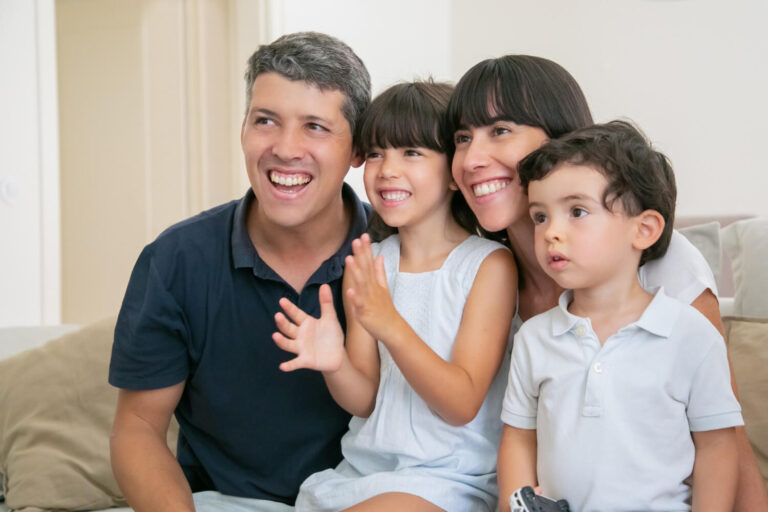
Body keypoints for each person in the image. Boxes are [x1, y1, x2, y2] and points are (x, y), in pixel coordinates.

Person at [446, 55, 768, 511]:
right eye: (462, 138)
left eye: (500, 130)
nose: (472, 159)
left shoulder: (663, 263)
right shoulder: (479, 273)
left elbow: (725, 441)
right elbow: (516, 442)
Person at [108, 32, 371, 511]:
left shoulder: (400, 250)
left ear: (357, 150)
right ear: (244, 129)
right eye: (265, 120)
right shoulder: (176, 259)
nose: (286, 149)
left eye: (315, 126)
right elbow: (139, 427)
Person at [270, 81, 518, 511]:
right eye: (377, 153)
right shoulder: (369, 263)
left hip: (448, 479)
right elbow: (365, 400)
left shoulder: (488, 266)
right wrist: (335, 365)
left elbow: (461, 404)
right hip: (365, 475)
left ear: (455, 172)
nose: (386, 170)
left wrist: (389, 324)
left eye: (412, 153)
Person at [500, 120, 743, 510]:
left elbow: (717, 446)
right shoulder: (534, 337)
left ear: (644, 230)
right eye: (540, 216)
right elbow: (519, 436)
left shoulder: (691, 335)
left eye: (576, 211)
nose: (550, 232)